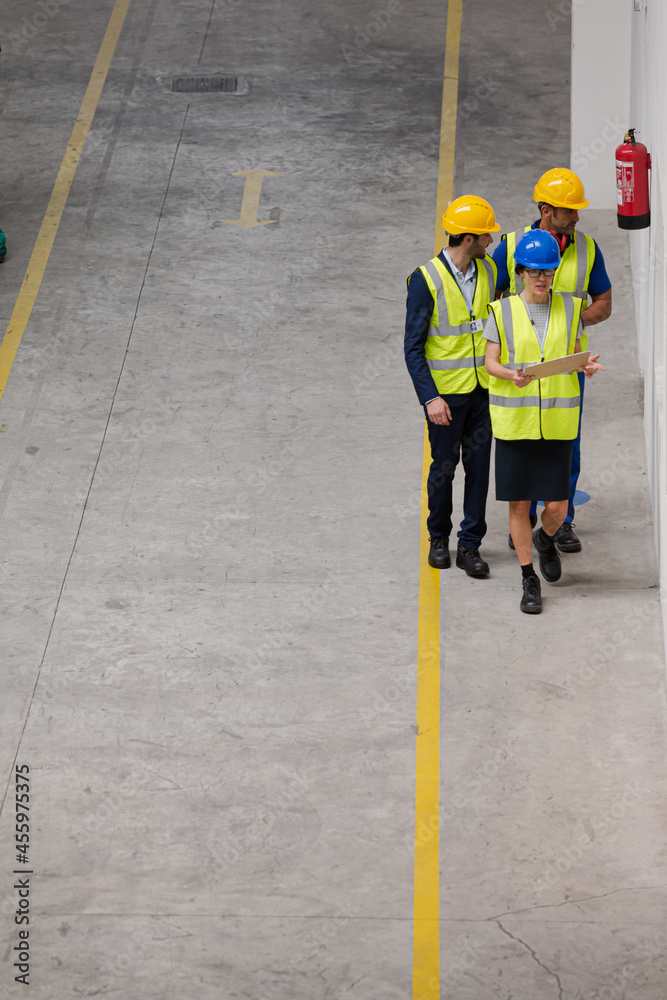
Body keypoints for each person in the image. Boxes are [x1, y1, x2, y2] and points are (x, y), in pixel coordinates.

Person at [492, 167, 611, 554]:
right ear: (546, 210)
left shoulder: (588, 248)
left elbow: (604, 304)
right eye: (569, 211)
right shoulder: (510, 246)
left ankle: (561, 522)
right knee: (521, 440)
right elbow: (494, 304)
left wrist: (567, 321)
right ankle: (523, 521)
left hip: (566, 368)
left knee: (566, 443)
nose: (577, 217)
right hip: (519, 371)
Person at [484, 230, 604, 614]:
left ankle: (546, 539)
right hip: (515, 424)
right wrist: (509, 374)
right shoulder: (500, 311)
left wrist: (586, 364)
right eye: (534, 271)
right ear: (520, 272)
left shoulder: (570, 308)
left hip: (556, 423)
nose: (541, 278)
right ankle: (528, 578)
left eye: (548, 272)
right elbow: (490, 361)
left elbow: (574, 354)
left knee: (557, 505)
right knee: (519, 505)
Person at [404, 195, 499, 577]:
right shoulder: (425, 280)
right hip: (446, 397)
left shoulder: (489, 271)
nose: (491, 242)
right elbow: (413, 348)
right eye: (486, 236)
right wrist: (430, 397)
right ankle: (439, 537)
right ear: (468, 238)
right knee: (443, 468)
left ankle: (471, 544)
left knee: (479, 470)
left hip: (483, 391)